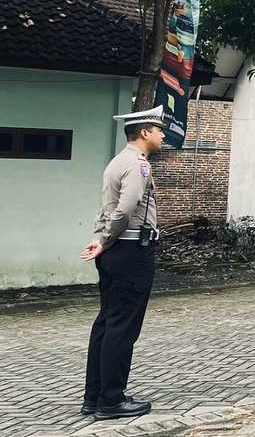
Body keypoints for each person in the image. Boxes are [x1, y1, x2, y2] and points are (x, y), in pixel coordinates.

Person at [79, 106, 166, 419]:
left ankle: (95, 397)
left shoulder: (117, 161)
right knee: (122, 327)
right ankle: (111, 401)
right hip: (131, 253)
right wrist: (104, 239)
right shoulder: (137, 165)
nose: (162, 135)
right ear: (144, 133)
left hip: (115, 252)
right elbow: (126, 209)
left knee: (107, 323)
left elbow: (107, 209)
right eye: (158, 129)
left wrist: (100, 238)